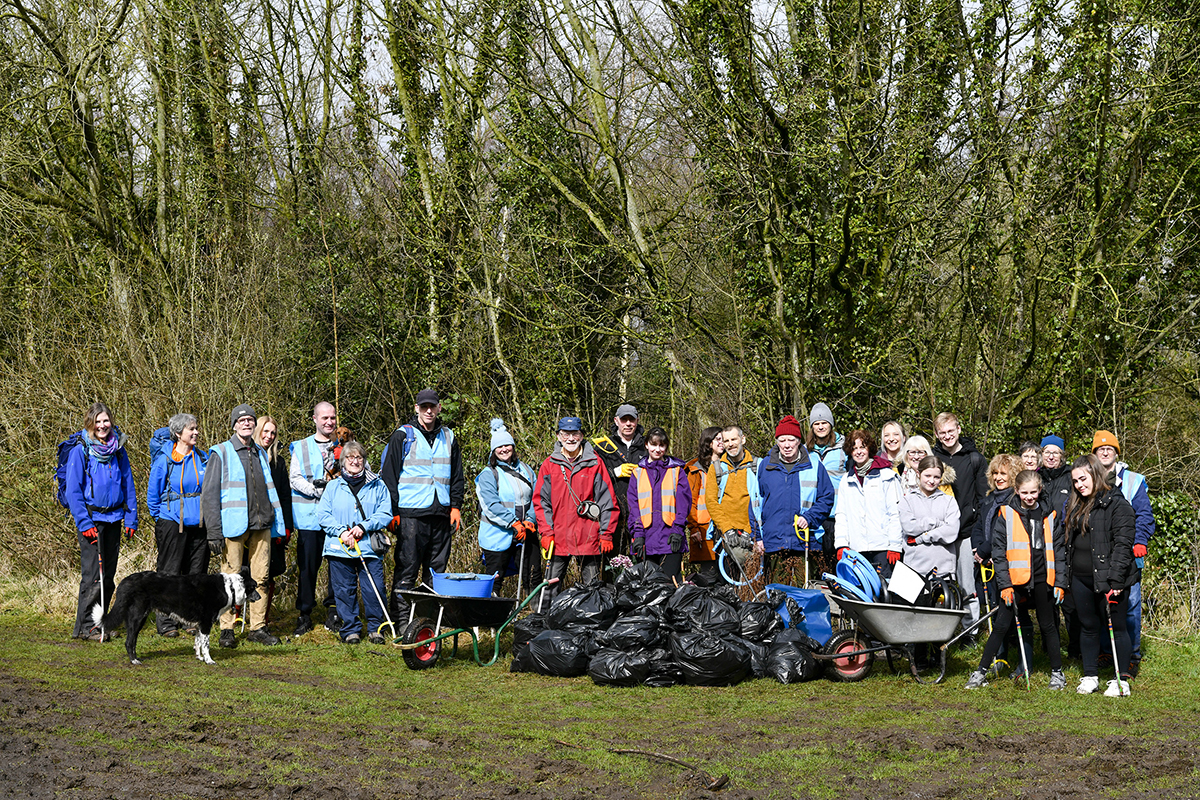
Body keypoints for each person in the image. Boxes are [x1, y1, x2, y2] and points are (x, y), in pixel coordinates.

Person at [965, 470, 1067, 690]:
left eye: (1033, 492)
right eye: (1024, 493)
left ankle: (1057, 674)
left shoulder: (1051, 515)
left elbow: (1059, 551)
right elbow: (999, 553)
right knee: (1001, 625)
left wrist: (1060, 582)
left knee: (1049, 626)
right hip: (1015, 581)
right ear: (1017, 491)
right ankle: (980, 672)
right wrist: (1005, 586)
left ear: (1040, 490)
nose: (1029, 497)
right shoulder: (1007, 514)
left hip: (1043, 579)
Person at [202, 404, 285, 647]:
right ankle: (226, 628)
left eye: (250, 420)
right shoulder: (221, 452)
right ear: (234, 425)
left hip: (262, 525)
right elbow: (209, 496)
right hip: (233, 526)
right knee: (229, 579)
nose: (247, 423)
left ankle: (257, 627)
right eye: (242, 420)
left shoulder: (260, 452)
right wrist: (214, 531)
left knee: (261, 578)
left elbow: (269, 489)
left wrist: (277, 522)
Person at [380, 388, 465, 622]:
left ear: (438, 408)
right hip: (411, 516)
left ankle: (427, 623)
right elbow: (389, 477)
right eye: (424, 406)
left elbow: (457, 476)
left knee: (435, 574)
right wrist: (393, 513)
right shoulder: (402, 435)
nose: (429, 410)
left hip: (441, 514)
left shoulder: (449, 437)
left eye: (433, 406)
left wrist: (455, 506)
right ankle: (400, 622)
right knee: (406, 570)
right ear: (417, 408)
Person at [1064, 454, 1137, 695]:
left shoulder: (1118, 504)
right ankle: (1090, 675)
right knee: (1088, 626)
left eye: (1083, 479)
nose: (1079, 485)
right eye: (1075, 481)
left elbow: (1123, 544)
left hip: (1111, 579)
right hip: (1081, 578)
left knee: (1117, 627)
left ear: (1096, 474)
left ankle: (1121, 680)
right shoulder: (1076, 504)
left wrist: (1116, 580)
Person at [65, 402, 137, 640]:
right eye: (97, 421)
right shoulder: (81, 451)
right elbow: (73, 491)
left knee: (108, 576)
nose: (102, 425)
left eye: (105, 421)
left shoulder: (119, 450)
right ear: (90, 423)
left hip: (115, 518)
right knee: (93, 576)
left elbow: (128, 484)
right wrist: (84, 524)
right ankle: (87, 626)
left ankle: (100, 622)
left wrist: (131, 517)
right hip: (92, 520)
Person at [533, 417, 618, 600]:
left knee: (593, 588)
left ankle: (592, 624)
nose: (570, 438)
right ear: (558, 436)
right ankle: (546, 621)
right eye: (566, 434)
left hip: (589, 537)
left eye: (575, 434)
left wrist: (606, 533)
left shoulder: (595, 463)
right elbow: (541, 502)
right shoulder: (549, 465)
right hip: (558, 537)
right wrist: (546, 532)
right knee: (550, 587)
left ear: (581, 436)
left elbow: (607, 501)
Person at [317, 441, 393, 644]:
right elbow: (323, 515)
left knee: (374, 588)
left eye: (358, 457)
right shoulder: (333, 486)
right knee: (343, 590)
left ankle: (376, 628)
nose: (354, 461)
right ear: (342, 462)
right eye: (350, 457)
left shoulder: (378, 485)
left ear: (364, 461)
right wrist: (341, 531)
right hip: (339, 548)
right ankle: (350, 629)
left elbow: (386, 513)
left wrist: (364, 526)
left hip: (369, 547)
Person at [1092, 430, 1155, 677]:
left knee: (1129, 606)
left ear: (1117, 453)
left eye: (1110, 448)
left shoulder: (1133, 481)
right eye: (1100, 449)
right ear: (1094, 454)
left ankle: (1132, 656)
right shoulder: (1088, 478)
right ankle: (1107, 651)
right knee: (1102, 606)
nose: (1105, 451)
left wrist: (1139, 541)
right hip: (1100, 557)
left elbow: (1144, 516)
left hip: (1129, 555)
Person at [146, 413, 208, 637]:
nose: (196, 432)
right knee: (169, 572)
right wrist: (161, 518)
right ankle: (166, 621)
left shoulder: (203, 457)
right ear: (178, 433)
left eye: (196, 428)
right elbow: (153, 495)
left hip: (199, 523)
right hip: (171, 521)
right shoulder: (164, 459)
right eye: (191, 429)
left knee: (196, 573)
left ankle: (190, 618)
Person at [749, 415, 835, 578]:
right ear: (776, 442)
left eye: (791, 440)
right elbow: (754, 504)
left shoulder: (814, 465)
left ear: (799, 441)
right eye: (782, 440)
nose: (787, 445)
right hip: (773, 544)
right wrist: (757, 537)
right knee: (776, 597)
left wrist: (809, 517)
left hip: (804, 542)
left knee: (804, 597)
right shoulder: (764, 466)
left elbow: (827, 498)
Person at [932, 412, 989, 625]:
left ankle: (970, 629)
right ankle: (943, 628)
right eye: (942, 433)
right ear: (937, 434)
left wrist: (980, 531)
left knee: (967, 583)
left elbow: (983, 497)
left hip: (966, 530)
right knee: (940, 583)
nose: (947, 436)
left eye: (950, 431)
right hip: (939, 532)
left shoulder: (975, 459)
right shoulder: (933, 459)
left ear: (958, 429)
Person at [290, 402, 341, 636]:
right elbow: (295, 478)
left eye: (332, 417)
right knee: (307, 568)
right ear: (314, 419)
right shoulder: (301, 447)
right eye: (324, 418)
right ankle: (305, 613)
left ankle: (334, 610)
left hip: (338, 519)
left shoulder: (345, 445)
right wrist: (316, 490)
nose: (329, 422)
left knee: (337, 567)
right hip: (309, 518)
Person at [475, 418, 541, 598]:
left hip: (526, 531)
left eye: (507, 445)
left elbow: (537, 498)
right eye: (499, 447)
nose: (504, 449)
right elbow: (490, 505)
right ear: (493, 451)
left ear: (513, 447)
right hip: (497, 535)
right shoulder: (488, 475)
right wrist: (513, 522)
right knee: (495, 579)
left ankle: (534, 615)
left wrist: (530, 519)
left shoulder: (527, 470)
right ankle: (491, 619)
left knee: (533, 575)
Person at [834, 429, 903, 580]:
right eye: (854, 448)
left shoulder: (887, 476)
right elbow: (842, 515)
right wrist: (841, 544)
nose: (858, 452)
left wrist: (895, 545)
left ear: (869, 448)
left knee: (885, 593)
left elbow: (895, 513)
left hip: (883, 548)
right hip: (856, 549)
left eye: (862, 447)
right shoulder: (846, 480)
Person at [627, 427, 692, 580]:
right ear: (646, 445)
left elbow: (684, 504)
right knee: (647, 588)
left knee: (670, 583)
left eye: (661, 445)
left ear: (666, 447)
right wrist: (638, 534)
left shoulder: (677, 471)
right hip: (645, 538)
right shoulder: (637, 473)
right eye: (654, 444)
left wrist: (678, 529)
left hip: (670, 538)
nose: (657, 449)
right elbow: (634, 507)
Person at [592, 404, 648, 556]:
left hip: (641, 514)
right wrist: (615, 472)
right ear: (616, 421)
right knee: (612, 564)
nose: (628, 424)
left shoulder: (647, 446)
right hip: (611, 515)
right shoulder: (602, 447)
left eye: (632, 420)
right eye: (624, 420)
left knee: (639, 564)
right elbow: (593, 479)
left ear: (637, 421)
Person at [255, 415, 294, 624]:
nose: (269, 436)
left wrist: (287, 526)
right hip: (249, 526)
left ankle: (263, 617)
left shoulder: (278, 463)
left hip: (274, 527)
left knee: (268, 574)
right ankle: (237, 617)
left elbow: (286, 496)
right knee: (244, 573)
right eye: (266, 431)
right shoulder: (245, 459)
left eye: (273, 433)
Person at [705, 425, 758, 574]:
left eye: (734, 439)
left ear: (743, 439)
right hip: (724, 536)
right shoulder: (716, 469)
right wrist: (727, 529)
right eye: (726, 440)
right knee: (727, 587)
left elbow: (762, 501)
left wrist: (750, 530)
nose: (730, 444)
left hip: (751, 535)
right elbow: (711, 502)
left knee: (752, 583)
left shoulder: (757, 465)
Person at [899, 456, 960, 579]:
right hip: (914, 568)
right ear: (918, 473)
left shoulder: (949, 501)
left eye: (936, 477)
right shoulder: (907, 500)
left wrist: (922, 537)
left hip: (944, 570)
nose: (932, 481)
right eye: (927, 476)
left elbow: (952, 531)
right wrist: (936, 523)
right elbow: (909, 527)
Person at [806, 403, 846, 562]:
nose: (821, 427)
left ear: (831, 424)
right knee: (818, 564)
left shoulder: (844, 448)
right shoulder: (805, 451)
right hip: (815, 514)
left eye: (824, 423)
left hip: (838, 514)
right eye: (817, 423)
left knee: (838, 562)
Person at [684, 427, 724, 580]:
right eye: (718, 439)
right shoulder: (695, 470)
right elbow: (690, 502)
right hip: (704, 530)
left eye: (723, 439)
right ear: (709, 443)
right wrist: (693, 528)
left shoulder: (729, 465)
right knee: (709, 576)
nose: (722, 443)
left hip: (727, 528)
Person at [1038, 435, 1071, 514]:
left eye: (1055, 453)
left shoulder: (1070, 476)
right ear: (1041, 454)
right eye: (1047, 452)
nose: (1051, 457)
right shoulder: (1036, 477)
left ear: (1061, 456)